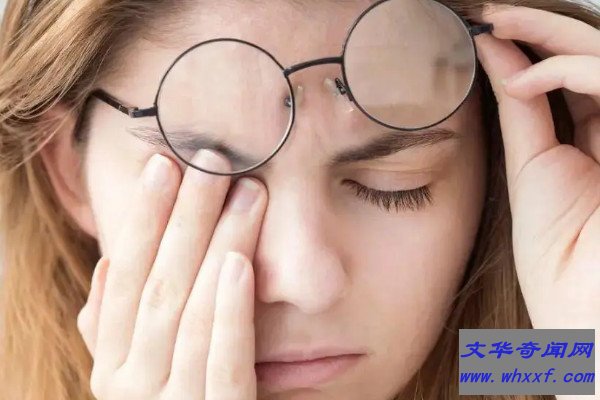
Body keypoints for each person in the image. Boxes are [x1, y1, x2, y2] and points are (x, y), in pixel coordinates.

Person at [0, 0, 598, 399]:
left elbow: (562, 361)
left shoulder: (492, 362)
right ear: (69, 171)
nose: (304, 281)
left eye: (395, 185)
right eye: (213, 188)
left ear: (497, 161)